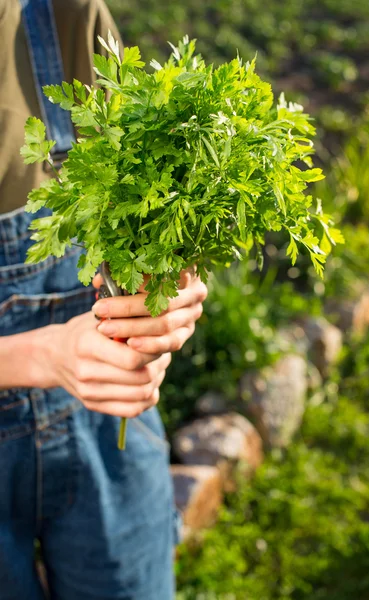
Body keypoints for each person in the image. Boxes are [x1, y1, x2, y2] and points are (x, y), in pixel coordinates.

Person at [0, 1, 207, 599]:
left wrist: (168, 297)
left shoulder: (58, 15)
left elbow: (139, 205)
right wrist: (44, 357)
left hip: (105, 424)